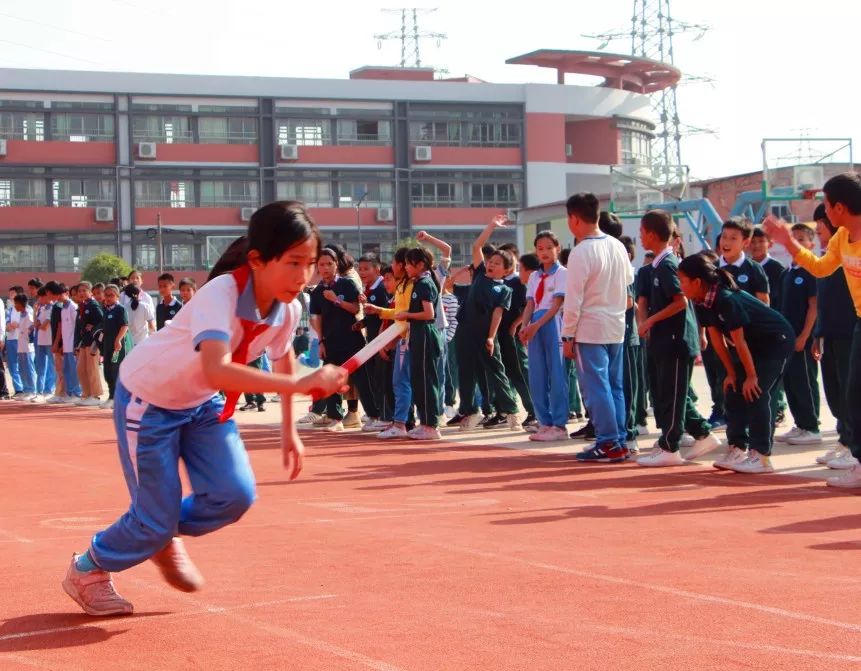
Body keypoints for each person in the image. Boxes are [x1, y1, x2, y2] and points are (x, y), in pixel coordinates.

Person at [62, 200, 349, 616]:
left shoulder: (288, 309)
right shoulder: (222, 293)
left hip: (201, 406)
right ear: (257, 260)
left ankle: (157, 532)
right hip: (149, 400)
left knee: (233, 496)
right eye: (293, 263)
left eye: (310, 264)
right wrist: (300, 384)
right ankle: (88, 568)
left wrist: (291, 431)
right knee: (152, 520)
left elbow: (284, 358)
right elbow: (218, 369)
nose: (303, 276)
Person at [763, 172, 861, 488]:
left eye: (827, 205)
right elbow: (820, 267)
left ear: (840, 207)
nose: (824, 212)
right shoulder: (841, 238)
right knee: (854, 395)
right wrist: (787, 241)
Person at [678, 253, 794, 473]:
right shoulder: (702, 301)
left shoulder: (727, 299)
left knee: (755, 392)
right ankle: (737, 447)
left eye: (682, 280)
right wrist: (731, 373)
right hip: (752, 346)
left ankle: (761, 456)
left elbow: (739, 343)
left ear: (697, 282)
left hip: (775, 342)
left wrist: (750, 376)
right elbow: (717, 340)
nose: (680, 285)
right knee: (732, 389)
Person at [636, 211, 720, 466]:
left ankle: (670, 446)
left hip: (675, 340)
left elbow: (680, 301)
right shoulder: (656, 266)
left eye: (641, 232)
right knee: (671, 393)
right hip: (663, 339)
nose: (640, 237)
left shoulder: (670, 264)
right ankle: (703, 434)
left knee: (672, 394)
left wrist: (650, 321)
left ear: (651, 233)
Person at [562, 195, 633, 463]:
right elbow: (628, 279)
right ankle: (619, 439)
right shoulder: (617, 245)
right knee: (614, 386)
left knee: (597, 387)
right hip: (615, 324)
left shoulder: (581, 251)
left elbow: (574, 298)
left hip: (590, 328)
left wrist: (567, 333)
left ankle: (608, 442)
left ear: (574, 218)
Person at [455, 216, 522, 431]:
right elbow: (477, 246)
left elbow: (497, 315)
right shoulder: (480, 277)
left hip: (486, 336)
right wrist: (491, 226)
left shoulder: (505, 290)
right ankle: (469, 411)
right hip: (465, 332)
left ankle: (511, 412)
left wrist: (491, 337)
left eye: (497, 264)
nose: (491, 265)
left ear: (507, 270)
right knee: (465, 374)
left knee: (497, 373)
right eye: (490, 262)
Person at [309, 247, 378, 432]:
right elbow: (317, 318)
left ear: (336, 265)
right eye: (321, 265)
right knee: (331, 381)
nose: (325, 268)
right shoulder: (316, 293)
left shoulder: (347, 284)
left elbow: (356, 309)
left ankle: (373, 416)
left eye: (329, 264)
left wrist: (336, 300)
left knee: (363, 380)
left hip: (352, 340)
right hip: (330, 342)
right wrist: (321, 341)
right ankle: (335, 418)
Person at [810, 204, 857, 469]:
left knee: (850, 392)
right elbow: (823, 303)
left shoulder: (847, 257)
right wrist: (818, 334)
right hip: (830, 334)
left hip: (849, 333)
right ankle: (845, 440)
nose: (818, 230)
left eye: (822, 224)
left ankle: (853, 444)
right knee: (835, 392)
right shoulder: (826, 258)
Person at [774, 223, 821, 446]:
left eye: (802, 239)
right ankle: (800, 424)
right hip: (787, 338)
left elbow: (814, 306)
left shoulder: (811, 272)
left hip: (803, 338)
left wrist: (805, 335)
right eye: (794, 239)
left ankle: (811, 426)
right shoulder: (787, 273)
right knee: (791, 382)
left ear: (811, 244)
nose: (798, 243)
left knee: (805, 380)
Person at [519, 231, 569, 441]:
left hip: (552, 322)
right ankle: (544, 421)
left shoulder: (562, 273)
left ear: (557, 248)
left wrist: (537, 325)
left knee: (556, 373)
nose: (545, 252)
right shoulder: (534, 276)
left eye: (549, 247)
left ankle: (559, 424)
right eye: (540, 249)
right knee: (536, 374)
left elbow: (557, 304)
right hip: (535, 325)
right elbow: (530, 303)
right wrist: (524, 326)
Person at [365, 249, 416, 440]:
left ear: (402, 265)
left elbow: (405, 317)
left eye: (394, 264)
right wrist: (379, 310)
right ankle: (400, 421)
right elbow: (397, 314)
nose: (392, 267)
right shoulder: (402, 287)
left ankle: (402, 422)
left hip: (406, 340)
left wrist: (391, 341)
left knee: (402, 383)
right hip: (401, 339)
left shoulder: (411, 286)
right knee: (398, 383)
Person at [395, 247, 444, 440]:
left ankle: (431, 425)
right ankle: (425, 422)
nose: (406, 267)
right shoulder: (419, 282)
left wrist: (406, 314)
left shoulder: (424, 283)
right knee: (418, 379)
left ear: (421, 265)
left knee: (426, 380)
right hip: (417, 334)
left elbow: (429, 314)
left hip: (425, 334)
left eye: (409, 263)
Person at [356, 253, 392, 432]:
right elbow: (373, 314)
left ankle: (385, 416)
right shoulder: (368, 290)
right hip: (372, 340)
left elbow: (385, 314)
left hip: (382, 341)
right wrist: (362, 322)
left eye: (366, 269)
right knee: (375, 379)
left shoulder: (381, 290)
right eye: (360, 269)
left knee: (383, 379)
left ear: (377, 269)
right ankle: (377, 415)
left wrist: (383, 342)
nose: (362, 272)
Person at [99, 284, 131, 410]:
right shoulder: (106, 310)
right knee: (107, 370)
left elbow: (124, 326)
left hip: (117, 346)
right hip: (107, 344)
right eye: (106, 295)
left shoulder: (120, 309)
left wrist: (118, 340)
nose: (108, 298)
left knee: (115, 370)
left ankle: (118, 398)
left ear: (117, 296)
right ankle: (111, 396)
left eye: (111, 295)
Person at [74, 281, 104, 407]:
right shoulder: (82, 306)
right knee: (81, 369)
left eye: (84, 290)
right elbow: (78, 327)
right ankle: (86, 393)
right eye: (79, 291)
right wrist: (76, 343)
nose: (81, 293)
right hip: (83, 342)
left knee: (92, 368)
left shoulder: (93, 305)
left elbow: (103, 320)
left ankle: (95, 395)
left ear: (90, 292)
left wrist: (94, 327)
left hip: (92, 342)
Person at [32, 287, 57, 402]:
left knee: (52, 366)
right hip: (40, 341)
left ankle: (50, 390)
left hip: (49, 341)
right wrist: (34, 311)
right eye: (39, 297)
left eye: (41, 297)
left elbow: (44, 325)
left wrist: (40, 324)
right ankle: (39, 391)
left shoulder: (52, 307)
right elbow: (36, 324)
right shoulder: (41, 308)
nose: (39, 299)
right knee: (40, 367)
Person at [13, 294, 37, 400]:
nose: (15, 306)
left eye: (16, 304)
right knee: (22, 368)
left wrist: (29, 336)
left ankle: (32, 390)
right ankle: (26, 389)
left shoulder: (28, 314)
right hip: (21, 345)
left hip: (28, 347)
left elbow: (32, 327)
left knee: (29, 368)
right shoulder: (21, 314)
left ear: (21, 304)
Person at [5, 286, 24, 397]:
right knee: (12, 365)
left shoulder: (26, 309)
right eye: (10, 294)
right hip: (11, 340)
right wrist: (9, 326)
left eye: (12, 293)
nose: (10, 296)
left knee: (23, 365)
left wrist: (18, 325)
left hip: (21, 340)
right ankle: (18, 389)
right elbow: (7, 324)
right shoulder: (10, 310)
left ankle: (27, 388)